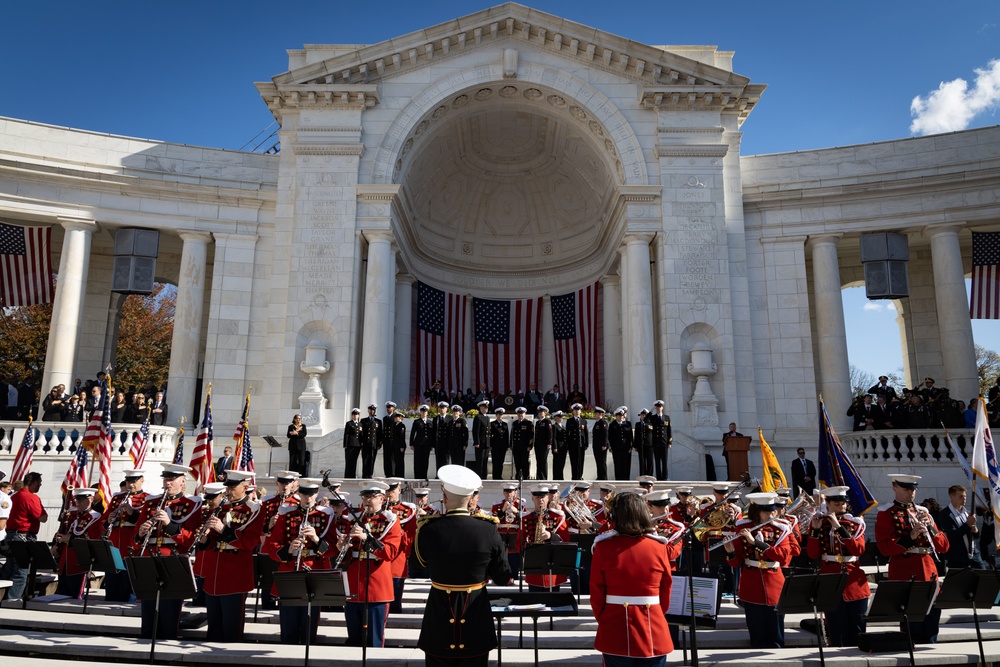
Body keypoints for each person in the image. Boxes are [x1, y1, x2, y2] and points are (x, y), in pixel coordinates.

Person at [414, 464, 512, 667]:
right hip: (475, 613)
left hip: (439, 614)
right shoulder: (488, 529)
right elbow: (503, 576)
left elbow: (419, 564)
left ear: (445, 497)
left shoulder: (427, 528)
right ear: (470, 498)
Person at [590, 491, 674, 667]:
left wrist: (606, 620)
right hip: (652, 625)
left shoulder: (603, 547)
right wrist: (656, 613)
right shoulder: (659, 547)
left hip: (615, 626)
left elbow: (597, 593)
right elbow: (666, 592)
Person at [875, 474, 949, 644]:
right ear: (895, 488)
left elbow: (944, 546)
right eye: (906, 489)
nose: (911, 493)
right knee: (912, 626)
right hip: (904, 572)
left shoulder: (924, 512)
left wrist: (929, 527)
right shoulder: (886, 513)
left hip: (928, 570)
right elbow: (885, 548)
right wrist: (911, 536)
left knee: (931, 622)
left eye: (913, 489)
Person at [133, 464, 203, 640]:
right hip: (150, 555)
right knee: (148, 604)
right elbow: (135, 536)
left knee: (169, 605)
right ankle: (147, 637)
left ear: (182, 481)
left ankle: (167, 639)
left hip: (172, 557)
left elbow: (190, 539)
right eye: (166, 479)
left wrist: (170, 525)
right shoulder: (151, 502)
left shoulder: (192, 504)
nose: (168, 483)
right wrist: (141, 533)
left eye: (172, 480)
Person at [263, 477, 336, 644]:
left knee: (309, 625)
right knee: (288, 623)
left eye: (311, 494)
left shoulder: (325, 516)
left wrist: (316, 539)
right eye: (304, 494)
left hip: (314, 570)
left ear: (317, 493)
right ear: (299, 493)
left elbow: (332, 549)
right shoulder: (286, 514)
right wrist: (288, 549)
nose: (308, 498)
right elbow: (272, 545)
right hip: (290, 571)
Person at [195, 470, 263, 642]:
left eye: (233, 487)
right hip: (214, 574)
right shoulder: (221, 508)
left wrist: (223, 530)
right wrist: (204, 539)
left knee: (231, 628)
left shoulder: (254, 510)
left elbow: (249, 542)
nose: (228, 491)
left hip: (235, 575)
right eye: (227, 487)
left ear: (245, 487)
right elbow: (212, 542)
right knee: (214, 628)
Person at [335, 479, 403, 647]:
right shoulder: (354, 520)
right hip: (353, 585)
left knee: (374, 639)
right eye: (364, 496)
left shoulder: (390, 521)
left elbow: (390, 553)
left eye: (372, 496)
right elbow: (347, 557)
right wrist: (342, 547)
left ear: (382, 498)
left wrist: (367, 538)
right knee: (354, 639)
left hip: (376, 586)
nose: (367, 500)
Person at [724, 492, 793, 648]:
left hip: (774, 582)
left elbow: (783, 557)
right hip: (751, 583)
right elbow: (737, 563)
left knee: (776, 633)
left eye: (772, 510)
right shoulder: (743, 527)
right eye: (766, 511)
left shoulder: (782, 529)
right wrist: (730, 552)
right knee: (756, 632)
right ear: (757, 511)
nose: (771, 514)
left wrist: (756, 543)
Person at [805, 486, 869, 648]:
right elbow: (813, 554)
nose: (841, 507)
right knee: (836, 628)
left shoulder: (855, 523)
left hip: (854, 580)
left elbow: (858, 549)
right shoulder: (819, 523)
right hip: (830, 579)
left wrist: (840, 528)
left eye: (843, 504)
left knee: (858, 627)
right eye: (836, 504)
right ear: (827, 503)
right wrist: (816, 531)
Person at [100, 468, 148, 601]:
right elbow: (102, 520)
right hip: (115, 544)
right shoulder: (117, 498)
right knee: (112, 581)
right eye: (128, 482)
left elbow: (146, 522)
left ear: (142, 481)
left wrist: (131, 512)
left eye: (134, 481)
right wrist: (108, 520)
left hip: (131, 544)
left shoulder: (147, 498)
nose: (131, 485)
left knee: (128, 582)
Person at [0, 471, 48, 600]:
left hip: (11, 536)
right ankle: (12, 600)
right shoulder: (31, 497)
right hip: (23, 536)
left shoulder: (14, 496)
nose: (40, 486)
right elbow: (43, 518)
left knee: (8, 569)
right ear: (33, 483)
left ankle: (2, 598)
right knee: (21, 572)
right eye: (39, 483)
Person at [52, 487, 102, 599]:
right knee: (60, 595)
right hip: (64, 560)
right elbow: (60, 532)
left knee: (75, 596)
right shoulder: (71, 515)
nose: (77, 502)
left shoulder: (94, 517)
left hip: (78, 562)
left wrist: (69, 539)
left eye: (81, 499)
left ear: (90, 499)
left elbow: (91, 539)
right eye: (76, 499)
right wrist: (56, 544)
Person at [518, 483, 569, 591]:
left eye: (543, 497)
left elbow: (565, 540)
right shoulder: (525, 519)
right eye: (537, 497)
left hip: (553, 570)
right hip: (534, 570)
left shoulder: (558, 517)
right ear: (532, 498)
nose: (540, 500)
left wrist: (551, 536)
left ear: (547, 498)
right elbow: (519, 543)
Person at [383, 477, 417, 614]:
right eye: (387, 490)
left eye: (392, 490)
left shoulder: (407, 511)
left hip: (396, 559)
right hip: (379, 558)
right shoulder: (378, 510)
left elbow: (409, 539)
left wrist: (395, 530)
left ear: (399, 490)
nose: (389, 493)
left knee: (395, 603)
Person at [937, 484, 984, 569]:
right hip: (958, 557)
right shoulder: (945, 514)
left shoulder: (968, 513)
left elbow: (976, 536)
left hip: (974, 555)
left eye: (965, 496)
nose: (964, 499)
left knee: (984, 579)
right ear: (952, 496)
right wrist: (967, 524)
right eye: (961, 496)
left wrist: (976, 531)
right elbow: (952, 535)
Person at [492, 482, 523, 576]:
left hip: (514, 531)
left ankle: (513, 574)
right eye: (507, 492)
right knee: (500, 553)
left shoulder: (520, 504)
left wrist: (516, 511)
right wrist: (503, 510)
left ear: (515, 493)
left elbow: (523, 518)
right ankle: (501, 575)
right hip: (502, 531)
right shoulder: (497, 504)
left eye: (511, 491)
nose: (509, 494)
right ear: (504, 493)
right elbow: (495, 519)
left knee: (514, 553)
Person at [648, 400, 672, 480]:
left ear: (662, 407)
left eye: (660, 407)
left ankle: (665, 477)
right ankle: (659, 478)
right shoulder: (653, 417)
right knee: (657, 462)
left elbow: (669, 430)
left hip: (664, 442)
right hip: (656, 442)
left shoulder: (666, 417)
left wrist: (670, 442)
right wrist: (651, 410)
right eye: (657, 407)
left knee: (664, 461)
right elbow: (646, 419)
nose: (659, 408)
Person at [608, 407, 633, 481]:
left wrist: (631, 446)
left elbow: (630, 436)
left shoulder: (628, 424)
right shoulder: (612, 425)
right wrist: (610, 447)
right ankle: (618, 479)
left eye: (621, 415)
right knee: (618, 464)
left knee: (626, 464)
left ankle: (626, 479)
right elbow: (610, 437)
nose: (620, 417)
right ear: (616, 416)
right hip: (616, 448)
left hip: (626, 448)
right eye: (619, 415)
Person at [565, 403, 589, 480]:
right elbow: (567, 433)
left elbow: (586, 433)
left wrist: (586, 444)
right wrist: (567, 444)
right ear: (573, 411)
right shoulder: (570, 421)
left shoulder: (583, 421)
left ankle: (580, 476)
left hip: (581, 444)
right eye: (575, 410)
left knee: (581, 461)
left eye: (578, 410)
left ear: (580, 411)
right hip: (572, 444)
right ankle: (574, 476)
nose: (577, 411)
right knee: (574, 462)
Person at [410, 404, 434, 480]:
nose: (424, 413)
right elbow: (413, 433)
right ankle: (417, 476)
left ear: (427, 412)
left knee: (425, 461)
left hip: (427, 445)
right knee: (417, 461)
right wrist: (411, 443)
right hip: (418, 444)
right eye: (422, 411)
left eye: (425, 411)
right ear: (420, 412)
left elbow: (432, 434)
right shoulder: (417, 422)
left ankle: (424, 476)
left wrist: (432, 444)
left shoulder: (430, 422)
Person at [510, 406, 533, 480]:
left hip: (525, 447)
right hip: (516, 446)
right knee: (517, 463)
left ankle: (526, 476)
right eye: (519, 414)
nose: (520, 415)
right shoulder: (515, 423)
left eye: (522, 414)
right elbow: (512, 435)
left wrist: (530, 445)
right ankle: (518, 476)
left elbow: (531, 436)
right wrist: (511, 445)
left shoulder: (528, 423)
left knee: (524, 463)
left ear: (525, 414)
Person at [360, 404, 383, 479]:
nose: (372, 411)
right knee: (365, 459)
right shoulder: (363, 421)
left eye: (373, 410)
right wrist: (361, 443)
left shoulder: (378, 421)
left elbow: (379, 434)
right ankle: (364, 474)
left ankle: (370, 474)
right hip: (365, 444)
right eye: (371, 410)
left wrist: (379, 443)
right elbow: (361, 433)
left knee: (372, 459)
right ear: (368, 410)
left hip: (373, 444)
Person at [472, 399, 491, 478]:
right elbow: (475, 431)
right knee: (480, 461)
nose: (486, 409)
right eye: (484, 407)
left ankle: (484, 476)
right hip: (480, 443)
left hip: (486, 443)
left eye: (487, 408)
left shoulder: (487, 418)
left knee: (485, 461)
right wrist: (476, 442)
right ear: (480, 408)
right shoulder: (478, 417)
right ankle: (479, 476)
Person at [489, 407, 510, 480]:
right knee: (495, 462)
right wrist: (490, 445)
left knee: (501, 462)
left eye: (501, 415)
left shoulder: (505, 424)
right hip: (495, 446)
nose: (500, 416)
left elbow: (506, 435)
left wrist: (507, 445)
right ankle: (495, 476)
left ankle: (499, 476)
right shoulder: (492, 424)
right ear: (496, 415)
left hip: (503, 446)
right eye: (498, 415)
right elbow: (490, 436)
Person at [533, 406, 553, 479]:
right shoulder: (538, 422)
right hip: (538, 444)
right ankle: (538, 476)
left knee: (543, 461)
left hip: (545, 445)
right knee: (538, 460)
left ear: (545, 413)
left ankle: (544, 477)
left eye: (542, 412)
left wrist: (549, 443)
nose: (540, 413)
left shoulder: (547, 421)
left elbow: (550, 433)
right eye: (539, 412)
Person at [433, 400, 453, 471]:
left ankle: (445, 475)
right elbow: (434, 431)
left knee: (446, 461)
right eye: (441, 408)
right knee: (438, 460)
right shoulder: (436, 419)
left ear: (446, 409)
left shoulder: (450, 418)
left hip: (446, 443)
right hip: (438, 443)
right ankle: (438, 474)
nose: (442, 409)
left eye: (444, 408)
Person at [590, 407, 609, 480]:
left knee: (602, 462)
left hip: (601, 446)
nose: (594, 415)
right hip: (596, 446)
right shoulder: (597, 423)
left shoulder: (603, 423)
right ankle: (600, 476)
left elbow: (605, 434)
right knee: (598, 462)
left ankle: (603, 477)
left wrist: (604, 444)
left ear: (600, 414)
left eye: (596, 413)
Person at [343, 408, 363, 478]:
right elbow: (346, 434)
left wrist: (361, 444)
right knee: (349, 461)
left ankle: (353, 475)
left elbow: (361, 435)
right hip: (350, 444)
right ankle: (347, 475)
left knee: (354, 461)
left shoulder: (360, 424)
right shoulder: (349, 423)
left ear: (358, 415)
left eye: (356, 414)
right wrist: (345, 445)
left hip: (357, 445)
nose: (355, 416)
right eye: (354, 414)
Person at [382, 402, 400, 476]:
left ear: (393, 408)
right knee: (386, 458)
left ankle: (392, 473)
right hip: (386, 441)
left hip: (392, 441)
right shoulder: (385, 418)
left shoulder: (395, 417)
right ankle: (387, 473)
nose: (388, 409)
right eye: (387, 407)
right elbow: (384, 430)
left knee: (392, 458)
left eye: (390, 407)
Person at [634, 409, 653, 477]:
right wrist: (635, 445)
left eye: (645, 415)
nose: (644, 416)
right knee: (642, 462)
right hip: (641, 445)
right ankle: (642, 476)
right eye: (642, 415)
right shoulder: (638, 424)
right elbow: (636, 435)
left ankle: (649, 476)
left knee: (650, 461)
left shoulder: (650, 424)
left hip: (649, 445)